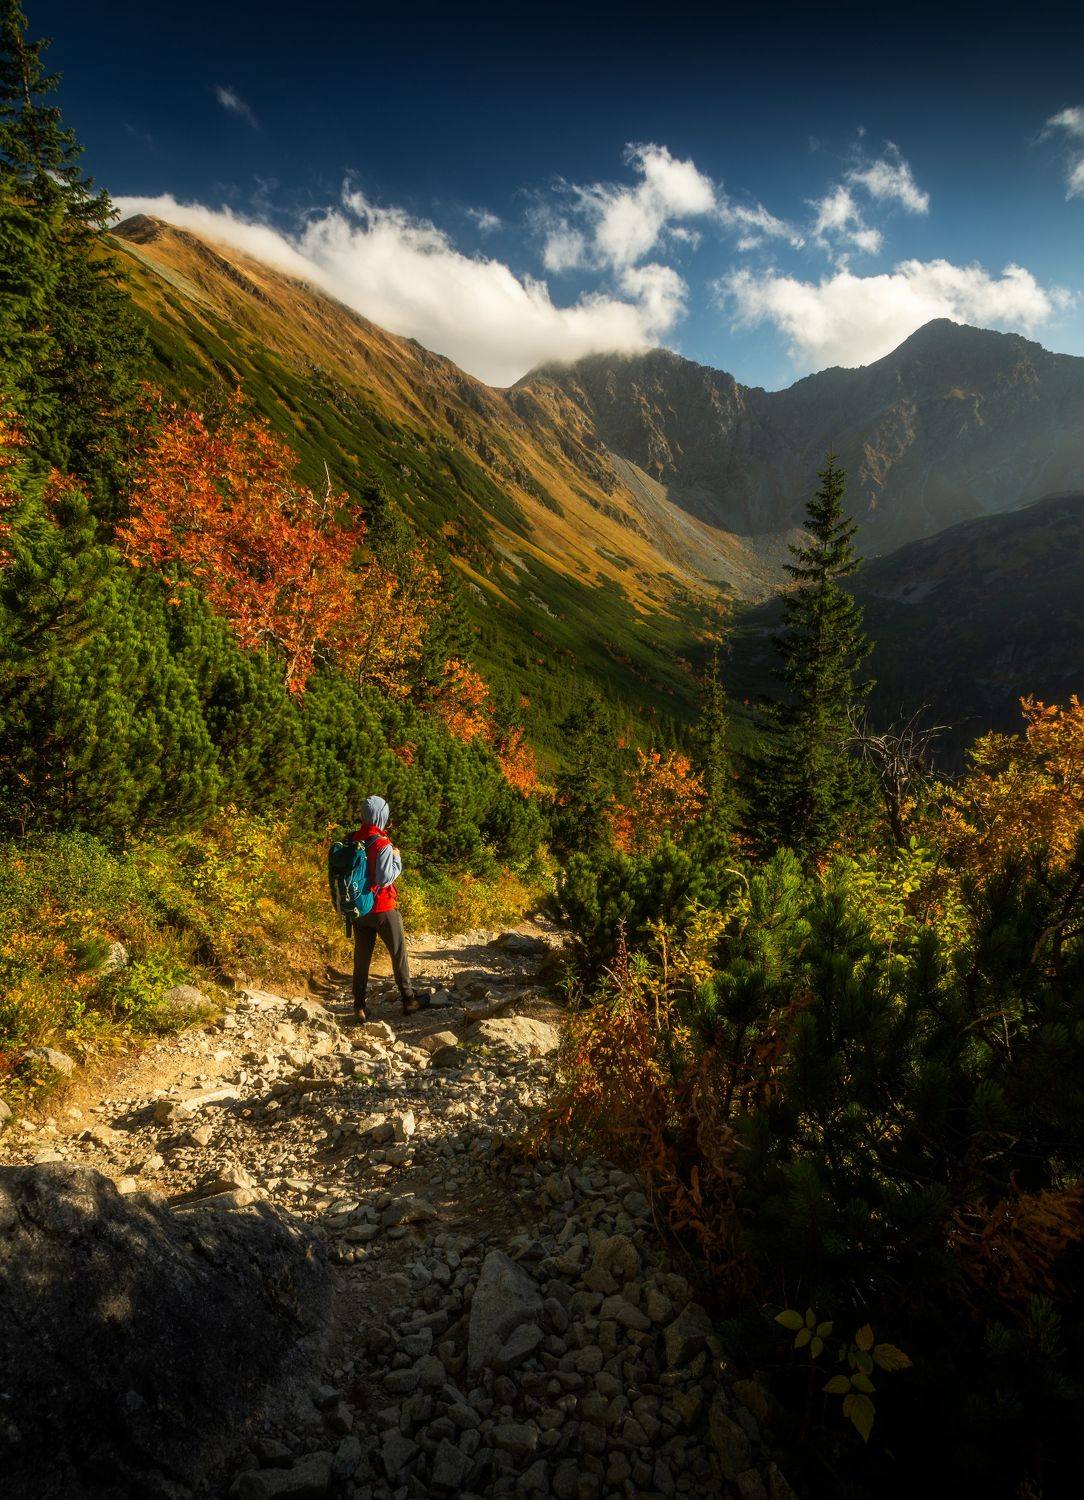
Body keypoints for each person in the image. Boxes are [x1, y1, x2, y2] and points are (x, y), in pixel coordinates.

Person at [349, 795, 424, 1020]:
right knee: (398, 953)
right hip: (383, 907)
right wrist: (397, 859)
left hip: (359, 909)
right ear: (381, 815)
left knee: (361, 958)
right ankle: (409, 999)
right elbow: (383, 878)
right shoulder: (382, 843)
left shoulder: (352, 839)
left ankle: (359, 1006)